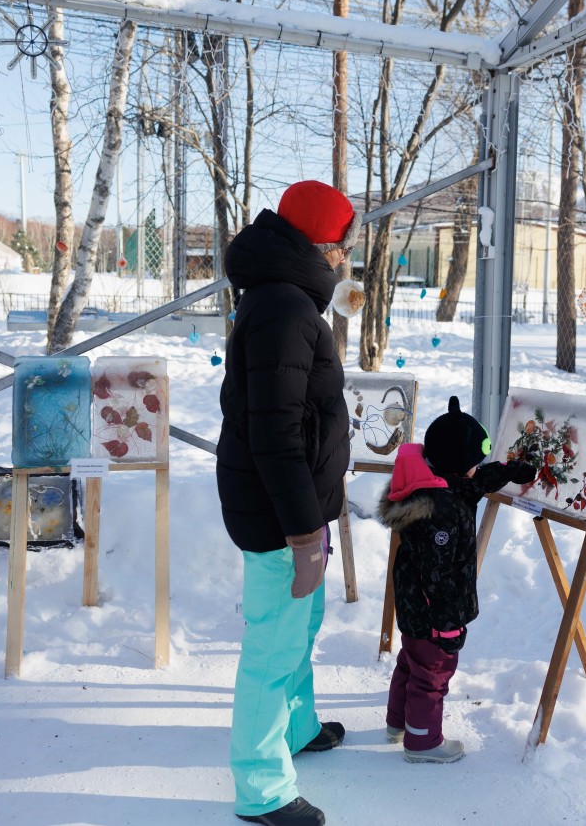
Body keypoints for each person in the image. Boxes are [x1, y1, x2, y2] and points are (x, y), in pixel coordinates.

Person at [217, 180, 359, 826]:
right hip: (281, 514)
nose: (347, 256)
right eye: (346, 244)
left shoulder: (284, 299)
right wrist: (303, 534)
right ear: (325, 244)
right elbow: (274, 431)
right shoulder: (283, 309)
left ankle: (296, 728)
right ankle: (262, 785)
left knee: (301, 627)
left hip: (297, 507)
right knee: (274, 647)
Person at [377, 396, 536, 763]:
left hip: (415, 609)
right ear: (458, 464)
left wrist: (509, 471)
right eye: (472, 463)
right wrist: (448, 625)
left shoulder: (435, 485)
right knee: (432, 673)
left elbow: (475, 483)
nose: (475, 471)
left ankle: (397, 722)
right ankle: (423, 742)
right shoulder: (442, 513)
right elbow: (439, 576)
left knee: (411, 661)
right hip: (434, 613)